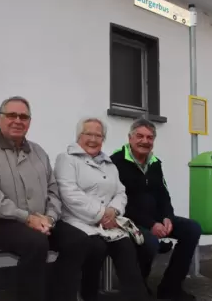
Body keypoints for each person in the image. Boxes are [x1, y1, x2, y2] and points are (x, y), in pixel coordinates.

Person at [0, 96, 89, 301]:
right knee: (36, 243)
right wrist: (26, 217)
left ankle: (57, 295)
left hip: (37, 221)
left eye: (23, 116)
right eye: (11, 115)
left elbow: (53, 191)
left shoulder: (38, 152)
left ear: (29, 122)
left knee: (79, 240)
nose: (18, 120)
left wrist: (49, 218)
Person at [53, 117, 150, 301]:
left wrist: (113, 211)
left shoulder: (109, 163)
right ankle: (88, 295)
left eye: (99, 135)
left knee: (126, 247)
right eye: (88, 134)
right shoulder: (66, 159)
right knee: (94, 246)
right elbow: (70, 194)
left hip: (108, 223)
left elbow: (121, 192)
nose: (93, 139)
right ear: (79, 136)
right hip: (77, 221)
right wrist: (101, 214)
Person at [110, 118, 202, 301]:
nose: (145, 141)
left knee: (192, 229)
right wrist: (151, 224)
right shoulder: (115, 162)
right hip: (129, 220)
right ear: (130, 138)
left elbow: (163, 194)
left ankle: (170, 288)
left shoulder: (155, 163)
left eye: (150, 137)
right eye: (140, 136)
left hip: (156, 219)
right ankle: (138, 286)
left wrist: (168, 217)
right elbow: (121, 201)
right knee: (149, 241)